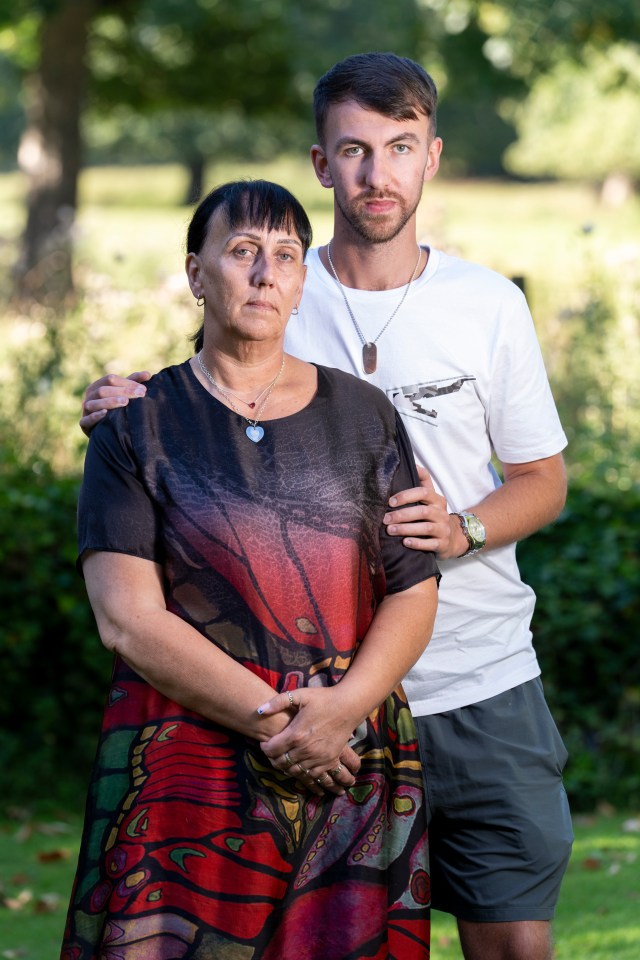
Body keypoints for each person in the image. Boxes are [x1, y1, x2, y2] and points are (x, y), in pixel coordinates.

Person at [79, 53, 573, 960]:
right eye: (354, 150)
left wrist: (466, 527)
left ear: (431, 157)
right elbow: (206, 410)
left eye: (399, 148)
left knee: (514, 945)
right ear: (321, 163)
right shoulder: (279, 284)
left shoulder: (488, 305)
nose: (376, 174)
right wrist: (129, 404)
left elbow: (544, 477)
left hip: (477, 678)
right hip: (308, 701)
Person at [62, 179, 439, 960]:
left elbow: (413, 588)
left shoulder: (365, 415)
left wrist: (341, 714)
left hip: (345, 761)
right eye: (242, 252)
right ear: (197, 273)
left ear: (303, 280)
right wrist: (289, 726)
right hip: (186, 768)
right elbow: (127, 618)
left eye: (286, 256)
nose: (265, 273)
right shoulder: (134, 425)